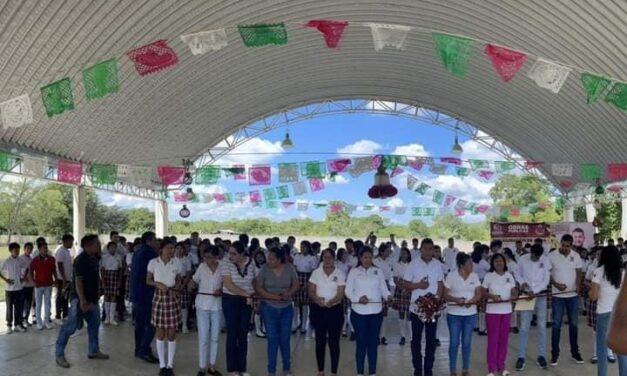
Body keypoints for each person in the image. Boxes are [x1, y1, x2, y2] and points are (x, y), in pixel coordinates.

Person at [55, 234, 109, 368]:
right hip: (79, 300)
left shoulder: (95, 257)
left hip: (93, 299)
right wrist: (83, 301)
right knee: (70, 327)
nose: (99, 245)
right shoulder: (81, 260)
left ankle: (93, 350)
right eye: (97, 243)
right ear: (88, 246)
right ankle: (59, 354)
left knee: (94, 325)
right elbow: (78, 281)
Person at [345, 246, 391, 376]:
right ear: (360, 258)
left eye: (370, 257)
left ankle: (372, 372)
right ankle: (360, 372)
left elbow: (383, 288)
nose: (367, 260)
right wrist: (358, 299)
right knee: (361, 344)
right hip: (359, 314)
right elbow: (348, 291)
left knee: (373, 344)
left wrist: (388, 296)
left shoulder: (378, 271)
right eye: (365, 257)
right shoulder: (354, 272)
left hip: (376, 314)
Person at [402, 238, 444, 376]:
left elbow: (440, 285)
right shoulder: (413, 264)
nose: (428, 251)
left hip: (432, 309)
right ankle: (417, 369)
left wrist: (436, 300)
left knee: (431, 341)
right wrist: (418, 285)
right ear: (420, 249)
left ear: (433, 250)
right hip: (416, 309)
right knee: (416, 340)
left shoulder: (437, 264)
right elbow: (405, 285)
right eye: (425, 248)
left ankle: (428, 369)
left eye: (431, 249)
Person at [255, 247, 299, 376]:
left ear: (280, 259)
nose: (268, 260)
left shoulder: (289, 268)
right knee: (272, 340)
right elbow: (258, 287)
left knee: (285, 339)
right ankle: (271, 370)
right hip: (269, 308)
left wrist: (288, 293)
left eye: (271, 259)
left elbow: (296, 285)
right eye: (268, 258)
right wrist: (273, 297)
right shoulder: (264, 269)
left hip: (286, 308)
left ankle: (286, 368)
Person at [147, 239, 184, 376]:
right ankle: (162, 365)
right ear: (161, 249)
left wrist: (178, 288)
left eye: (173, 248)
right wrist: (158, 284)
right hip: (159, 299)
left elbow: (180, 279)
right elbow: (148, 280)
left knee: (172, 333)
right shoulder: (153, 262)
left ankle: (170, 365)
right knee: (160, 333)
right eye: (168, 248)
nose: (171, 251)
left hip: (172, 298)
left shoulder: (177, 263)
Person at [589, 246, 627, 376]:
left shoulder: (598, 271)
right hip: (620, 314)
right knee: (621, 349)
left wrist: (589, 290)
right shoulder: (623, 273)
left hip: (604, 313)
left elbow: (593, 296)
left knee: (602, 350)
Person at [308, 248, 346, 376]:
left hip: (334, 310)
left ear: (334, 258)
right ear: (322, 258)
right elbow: (311, 291)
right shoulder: (316, 273)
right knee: (320, 341)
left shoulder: (340, 273)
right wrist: (317, 299)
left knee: (334, 341)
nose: (328, 260)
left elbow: (341, 293)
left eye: (330, 257)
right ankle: (321, 370)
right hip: (318, 310)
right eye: (325, 257)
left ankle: (334, 371)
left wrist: (333, 301)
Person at [548, 234, 584, 366]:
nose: (565, 248)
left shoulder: (576, 255)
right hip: (558, 297)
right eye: (563, 245)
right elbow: (547, 274)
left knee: (574, 325)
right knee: (556, 325)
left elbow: (579, 272)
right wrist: (556, 284)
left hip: (573, 297)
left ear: (571, 245)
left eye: (567, 246)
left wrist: (578, 286)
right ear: (560, 243)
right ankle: (554, 355)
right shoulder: (551, 256)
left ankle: (575, 353)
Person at [222, 240, 256, 376]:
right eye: (229, 253)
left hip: (246, 302)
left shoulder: (251, 262)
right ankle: (232, 369)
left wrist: (253, 296)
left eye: (234, 254)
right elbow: (228, 284)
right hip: (230, 300)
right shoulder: (225, 262)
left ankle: (242, 367)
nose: (230, 256)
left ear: (242, 254)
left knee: (243, 335)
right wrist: (246, 294)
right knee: (232, 334)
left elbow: (254, 280)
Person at [444, 253, 482, 376]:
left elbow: (479, 294)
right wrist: (456, 300)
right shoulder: (451, 276)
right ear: (461, 265)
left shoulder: (474, 276)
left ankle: (466, 369)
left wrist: (472, 301)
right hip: (454, 314)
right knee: (454, 342)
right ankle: (453, 370)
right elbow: (445, 295)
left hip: (470, 314)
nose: (472, 266)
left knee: (466, 342)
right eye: (469, 263)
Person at [515, 243, 550, 371]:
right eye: (534, 256)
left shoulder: (545, 260)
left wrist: (534, 291)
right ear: (531, 253)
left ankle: (541, 356)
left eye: (538, 257)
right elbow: (517, 274)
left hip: (540, 296)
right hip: (525, 296)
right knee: (524, 327)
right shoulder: (522, 259)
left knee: (541, 326)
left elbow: (546, 280)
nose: (535, 259)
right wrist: (522, 283)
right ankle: (521, 357)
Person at [482, 253, 518, 376]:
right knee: (493, 341)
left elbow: (514, 290)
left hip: (506, 311)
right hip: (492, 312)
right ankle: (491, 369)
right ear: (492, 263)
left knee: (504, 340)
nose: (499, 263)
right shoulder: (488, 276)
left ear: (505, 262)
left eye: (501, 261)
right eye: (496, 261)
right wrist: (492, 296)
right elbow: (483, 292)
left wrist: (514, 296)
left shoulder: (509, 275)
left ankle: (501, 367)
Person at [191, 245, 223, 376]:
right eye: (205, 257)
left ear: (216, 257)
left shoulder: (223, 268)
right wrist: (189, 285)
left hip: (217, 306)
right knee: (203, 337)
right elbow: (193, 281)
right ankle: (202, 367)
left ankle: (212, 366)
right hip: (202, 306)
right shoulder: (201, 267)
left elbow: (226, 285)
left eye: (209, 257)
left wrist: (220, 291)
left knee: (215, 337)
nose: (206, 259)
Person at [131, 231, 159, 364]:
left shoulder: (137, 252)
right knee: (151, 324)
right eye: (155, 240)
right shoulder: (150, 254)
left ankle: (139, 349)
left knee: (140, 325)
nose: (156, 242)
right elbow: (154, 275)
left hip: (137, 293)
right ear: (149, 241)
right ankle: (144, 351)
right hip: (147, 293)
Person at [293, 240, 318, 335]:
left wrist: (308, 284)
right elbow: (294, 269)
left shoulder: (312, 258)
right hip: (297, 278)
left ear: (308, 247)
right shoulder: (297, 256)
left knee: (305, 303)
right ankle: (295, 324)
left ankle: (303, 325)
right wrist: (296, 283)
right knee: (296, 303)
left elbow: (313, 272)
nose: (302, 248)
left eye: (304, 247)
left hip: (307, 279)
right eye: (301, 246)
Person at [30, 239, 56, 330]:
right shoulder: (35, 260)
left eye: (46, 248)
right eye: (44, 248)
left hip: (48, 284)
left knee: (48, 303)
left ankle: (47, 321)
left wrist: (55, 279)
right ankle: (39, 322)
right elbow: (30, 271)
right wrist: (33, 282)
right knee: (38, 304)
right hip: (38, 285)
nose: (46, 249)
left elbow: (54, 270)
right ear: (39, 249)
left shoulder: (52, 259)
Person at [1, 242, 26, 333]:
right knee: (9, 308)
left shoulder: (20, 260)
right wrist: (6, 280)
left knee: (19, 307)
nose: (17, 252)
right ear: (11, 251)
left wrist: (23, 277)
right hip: (9, 289)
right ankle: (9, 325)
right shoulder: (7, 261)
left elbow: (25, 268)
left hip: (19, 288)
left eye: (18, 250)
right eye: (15, 250)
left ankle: (18, 324)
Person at [373, 243, 393, 345]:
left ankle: (383, 336)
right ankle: (375, 335)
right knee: (377, 312)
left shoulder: (389, 261)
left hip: (386, 286)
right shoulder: (375, 262)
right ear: (382, 252)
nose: (389, 252)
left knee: (385, 313)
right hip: (376, 286)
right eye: (387, 251)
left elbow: (390, 276)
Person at [392, 247, 412, 346]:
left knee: (409, 314)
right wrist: (402, 288)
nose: (403, 255)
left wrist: (408, 289)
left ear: (408, 255)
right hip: (400, 289)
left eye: (405, 253)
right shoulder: (397, 264)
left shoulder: (412, 264)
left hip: (410, 289)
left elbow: (414, 278)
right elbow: (395, 279)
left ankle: (411, 337)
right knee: (401, 313)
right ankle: (403, 336)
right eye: (402, 253)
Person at [101, 241, 123, 326]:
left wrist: (119, 281)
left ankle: (112, 318)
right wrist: (103, 281)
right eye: (111, 247)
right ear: (108, 248)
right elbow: (102, 270)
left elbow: (120, 269)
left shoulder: (119, 257)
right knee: (107, 297)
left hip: (115, 276)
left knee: (114, 297)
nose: (113, 249)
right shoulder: (104, 257)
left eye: (114, 247)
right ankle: (107, 318)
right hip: (107, 276)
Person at [54, 234, 73, 321]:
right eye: (70, 241)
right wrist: (64, 278)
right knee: (60, 297)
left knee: (65, 297)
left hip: (67, 279)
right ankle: (58, 316)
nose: (72, 243)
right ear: (65, 241)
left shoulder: (67, 251)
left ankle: (65, 314)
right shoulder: (61, 251)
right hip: (62, 279)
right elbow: (59, 265)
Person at [174, 242, 193, 334]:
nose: (179, 250)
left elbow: (189, 273)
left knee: (184, 306)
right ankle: (176, 324)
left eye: (181, 248)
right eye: (177, 248)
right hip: (173, 282)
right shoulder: (172, 259)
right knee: (174, 305)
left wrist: (183, 284)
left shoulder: (187, 259)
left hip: (184, 282)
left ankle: (184, 325)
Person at [19, 242, 35, 326]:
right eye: (28, 248)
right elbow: (18, 270)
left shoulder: (31, 259)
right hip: (23, 285)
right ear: (24, 249)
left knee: (29, 303)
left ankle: (26, 319)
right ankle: (20, 320)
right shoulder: (20, 259)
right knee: (22, 303)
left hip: (30, 284)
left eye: (31, 249)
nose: (29, 250)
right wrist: (22, 278)